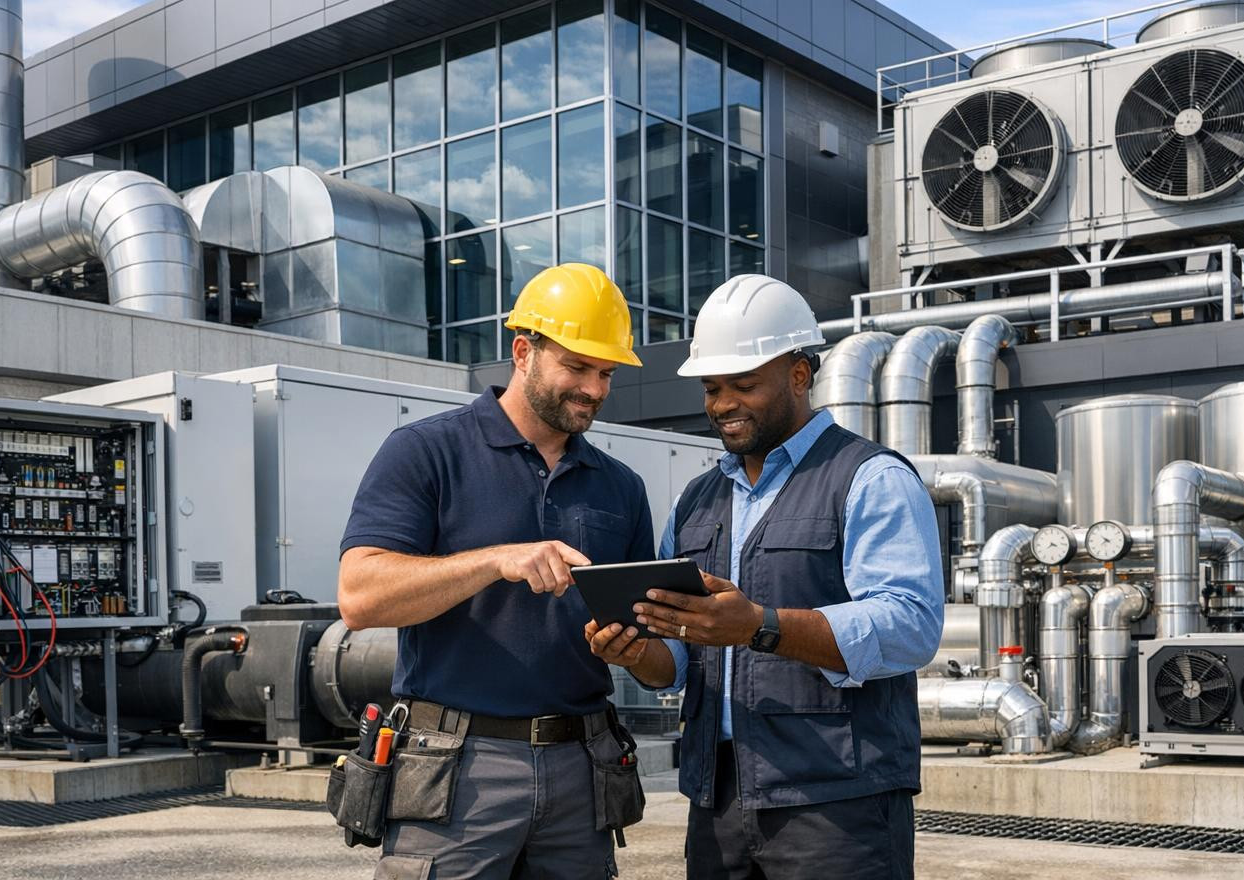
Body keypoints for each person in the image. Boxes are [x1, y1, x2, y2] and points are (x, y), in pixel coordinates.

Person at [594, 274, 944, 880]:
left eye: (744, 384)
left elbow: (909, 626)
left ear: (799, 374)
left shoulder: (871, 478)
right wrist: (635, 652)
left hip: (838, 802)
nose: (722, 404)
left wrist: (761, 626)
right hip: (718, 799)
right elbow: (675, 660)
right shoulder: (696, 501)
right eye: (712, 388)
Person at [337, 263, 655, 880]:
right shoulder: (425, 451)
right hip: (456, 772)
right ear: (523, 353)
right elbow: (360, 596)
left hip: (583, 769)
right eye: (577, 367)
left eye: (607, 373)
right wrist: (495, 560)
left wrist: (637, 650)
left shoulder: (622, 487)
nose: (594, 389)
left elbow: (659, 655)